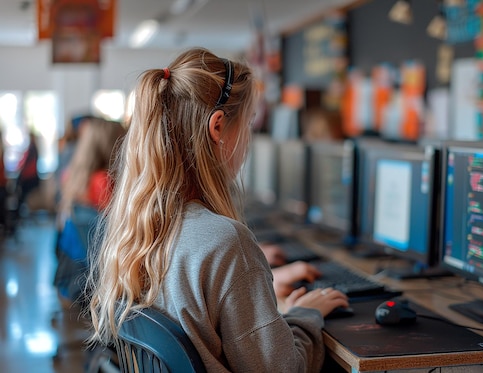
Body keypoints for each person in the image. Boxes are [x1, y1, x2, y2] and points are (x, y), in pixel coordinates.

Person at [87, 47, 349, 372]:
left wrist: (258, 288)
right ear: (218, 127)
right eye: (249, 122)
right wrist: (304, 316)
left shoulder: (141, 231)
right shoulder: (226, 241)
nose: (250, 139)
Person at [54, 118, 127, 305]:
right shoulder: (103, 181)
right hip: (97, 278)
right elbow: (122, 229)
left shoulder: (74, 177)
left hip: (73, 269)